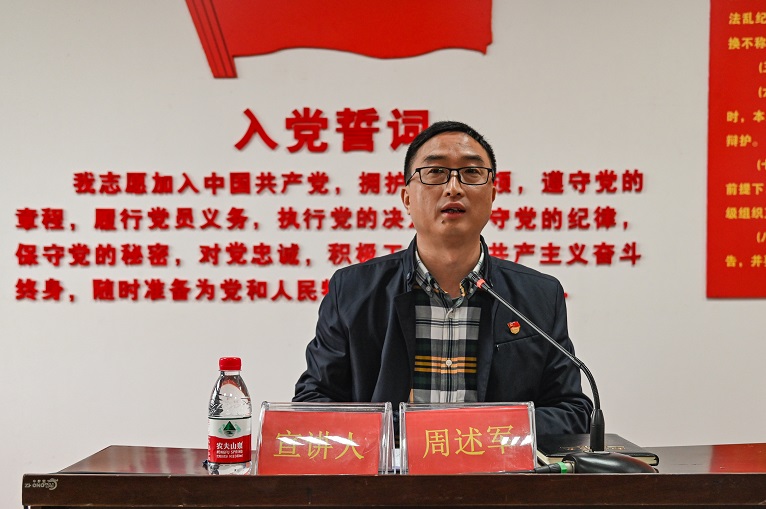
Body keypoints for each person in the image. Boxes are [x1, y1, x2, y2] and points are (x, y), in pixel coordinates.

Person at [293, 120, 592, 435]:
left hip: (496, 465)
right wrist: (396, 436)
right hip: (390, 466)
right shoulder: (353, 290)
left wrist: (484, 432)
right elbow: (313, 401)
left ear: (493, 194)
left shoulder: (538, 295)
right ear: (407, 198)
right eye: (435, 172)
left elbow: (571, 410)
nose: (454, 188)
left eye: (471, 172)